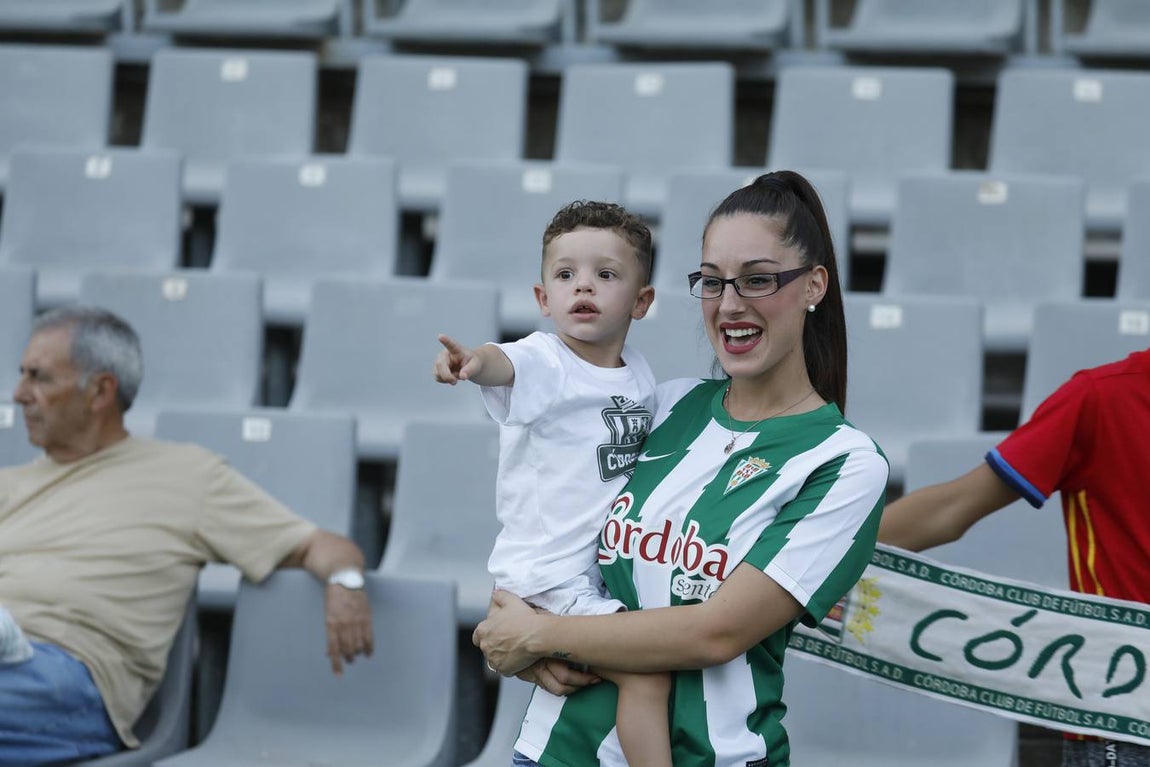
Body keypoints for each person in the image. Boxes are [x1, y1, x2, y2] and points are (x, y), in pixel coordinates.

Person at [472, 172, 889, 767]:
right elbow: (550, 533)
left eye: (758, 279)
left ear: (813, 286)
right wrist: (514, 645)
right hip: (555, 751)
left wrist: (537, 636)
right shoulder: (658, 406)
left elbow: (714, 633)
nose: (730, 304)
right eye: (713, 282)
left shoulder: (844, 464)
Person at [0, 307, 374, 765]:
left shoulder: (187, 476)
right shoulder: (8, 483)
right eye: (22, 376)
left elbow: (319, 545)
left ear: (100, 390)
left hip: (68, 677)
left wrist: (346, 583)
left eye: (39, 379)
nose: (19, 395)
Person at [434, 200, 672, 766]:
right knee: (648, 673)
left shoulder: (638, 371)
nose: (582, 286)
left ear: (642, 301)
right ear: (543, 299)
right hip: (549, 574)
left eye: (605, 275)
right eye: (565, 275)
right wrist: (471, 362)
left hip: (590, 573)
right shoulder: (547, 359)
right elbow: (504, 362)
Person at [879, 348, 1150, 767]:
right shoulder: (1101, 397)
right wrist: (799, 560)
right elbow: (951, 511)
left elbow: (951, 512)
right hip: (1126, 713)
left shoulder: (1101, 393)